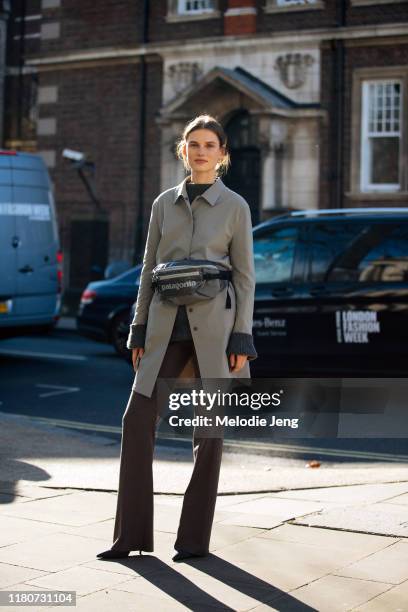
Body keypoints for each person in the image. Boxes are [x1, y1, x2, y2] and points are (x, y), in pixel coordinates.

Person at [97, 114, 258, 562]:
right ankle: (129, 536)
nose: (201, 151)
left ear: (222, 154)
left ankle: (192, 541)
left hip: (215, 332)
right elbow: (149, 270)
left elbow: (245, 279)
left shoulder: (236, 207)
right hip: (166, 327)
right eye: (194, 144)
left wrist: (242, 338)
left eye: (210, 144)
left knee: (209, 435)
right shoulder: (163, 204)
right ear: (182, 150)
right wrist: (138, 327)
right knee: (136, 420)